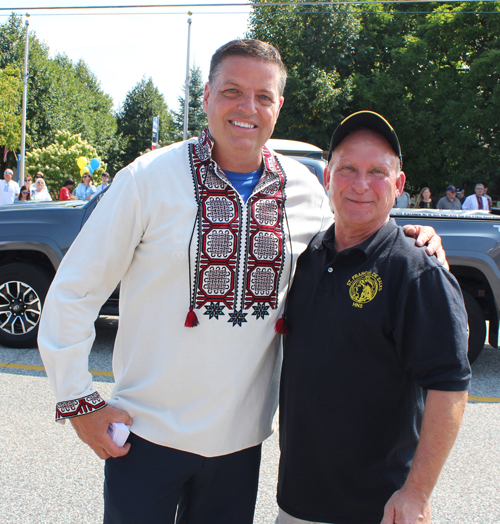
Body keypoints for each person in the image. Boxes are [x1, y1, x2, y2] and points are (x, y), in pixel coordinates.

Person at [38, 41, 443, 524]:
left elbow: (354, 237)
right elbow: (74, 289)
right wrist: (78, 399)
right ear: (206, 95)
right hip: (145, 437)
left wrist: (413, 235)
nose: (247, 108)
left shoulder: (304, 191)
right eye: (232, 91)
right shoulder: (148, 179)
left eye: (263, 96)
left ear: (278, 107)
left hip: (240, 445)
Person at [276, 111, 470, 524]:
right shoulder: (307, 258)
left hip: (378, 510)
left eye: (377, 172)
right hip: (297, 504)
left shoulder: (417, 272)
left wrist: (416, 494)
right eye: (348, 168)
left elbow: (450, 388)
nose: (361, 184)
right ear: (327, 176)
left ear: (399, 185)